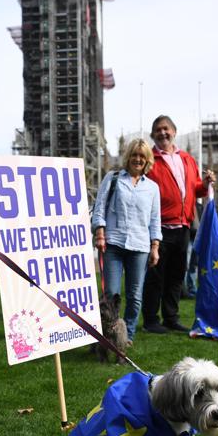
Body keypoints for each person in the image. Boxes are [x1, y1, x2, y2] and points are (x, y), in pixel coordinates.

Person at [141, 115, 212, 333]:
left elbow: (195, 189)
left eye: (166, 129)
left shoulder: (187, 159)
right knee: (155, 276)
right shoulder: (149, 158)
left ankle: (171, 317)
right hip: (158, 227)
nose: (162, 133)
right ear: (153, 135)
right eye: (158, 130)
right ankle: (151, 319)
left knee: (176, 276)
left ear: (174, 131)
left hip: (183, 226)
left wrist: (205, 184)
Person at [91, 139, 161, 342]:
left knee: (135, 296)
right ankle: (108, 334)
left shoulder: (152, 188)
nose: (137, 159)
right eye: (134, 155)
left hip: (140, 246)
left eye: (142, 156)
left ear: (147, 160)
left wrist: (155, 247)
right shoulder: (113, 178)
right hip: (113, 243)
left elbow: (155, 219)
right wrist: (100, 233)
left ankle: (126, 336)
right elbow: (99, 207)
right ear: (128, 157)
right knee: (111, 294)